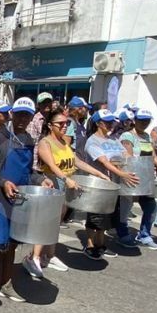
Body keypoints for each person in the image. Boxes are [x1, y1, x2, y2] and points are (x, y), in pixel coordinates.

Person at [25, 107, 110, 278]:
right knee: (45, 224)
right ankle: (33, 258)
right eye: (61, 124)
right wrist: (67, 179)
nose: (65, 126)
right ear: (50, 125)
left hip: (64, 191)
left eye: (66, 123)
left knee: (56, 223)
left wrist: (98, 173)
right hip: (51, 187)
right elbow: (53, 166)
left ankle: (49, 255)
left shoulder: (64, 142)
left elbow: (76, 161)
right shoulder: (45, 143)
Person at [0, 98, 36, 313]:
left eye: (26, 115)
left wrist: (40, 180)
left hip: (18, 201)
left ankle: (6, 283)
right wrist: (3, 183)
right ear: (11, 114)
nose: (22, 119)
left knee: (12, 245)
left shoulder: (29, 140)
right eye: (19, 114)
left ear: (31, 117)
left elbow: (29, 171)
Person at [83, 109, 140, 260]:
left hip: (113, 185)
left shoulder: (113, 140)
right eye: (106, 122)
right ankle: (89, 244)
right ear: (98, 123)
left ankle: (100, 244)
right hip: (98, 184)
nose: (110, 125)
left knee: (107, 216)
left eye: (111, 122)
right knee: (95, 216)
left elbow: (126, 155)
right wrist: (123, 174)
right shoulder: (92, 141)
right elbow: (104, 162)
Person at [116, 110, 157, 251]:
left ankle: (145, 235)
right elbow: (128, 157)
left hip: (146, 178)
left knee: (151, 207)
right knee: (125, 207)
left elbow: (153, 157)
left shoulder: (147, 136)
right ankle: (122, 234)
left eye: (147, 120)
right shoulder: (127, 136)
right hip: (132, 177)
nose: (144, 123)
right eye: (141, 120)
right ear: (134, 120)